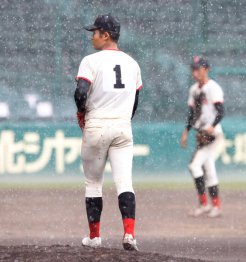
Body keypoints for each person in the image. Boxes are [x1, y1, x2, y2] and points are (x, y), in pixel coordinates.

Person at [74, 14, 142, 250]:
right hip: (123, 126)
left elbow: (81, 92)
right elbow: (135, 101)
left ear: (106, 34)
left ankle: (94, 237)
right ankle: (129, 234)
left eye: (95, 32)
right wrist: (123, 118)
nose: (92, 36)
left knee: (93, 182)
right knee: (125, 183)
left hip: (97, 124)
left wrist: (82, 112)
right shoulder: (132, 63)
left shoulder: (90, 61)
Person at [180, 56, 225, 218]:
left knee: (194, 165)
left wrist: (211, 127)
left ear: (206, 69)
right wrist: (186, 131)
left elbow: (221, 111)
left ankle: (205, 204)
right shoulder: (194, 90)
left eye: (198, 68)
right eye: (193, 69)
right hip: (202, 133)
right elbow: (192, 114)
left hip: (213, 134)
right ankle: (214, 206)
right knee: (209, 168)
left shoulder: (213, 88)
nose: (195, 72)